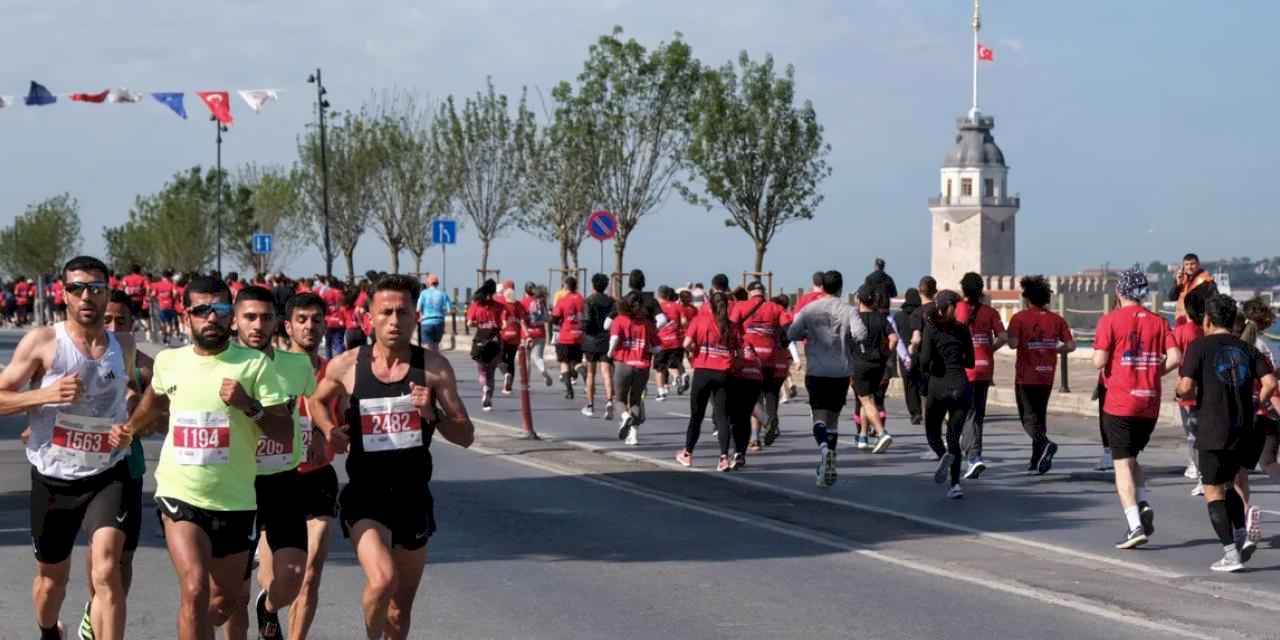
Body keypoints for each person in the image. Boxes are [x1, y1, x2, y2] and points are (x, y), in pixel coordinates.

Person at [122, 274, 295, 640]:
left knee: (223, 601)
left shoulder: (254, 365)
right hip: (179, 493)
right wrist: (128, 430)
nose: (211, 318)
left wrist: (249, 406)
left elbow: (283, 431)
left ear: (230, 316)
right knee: (195, 589)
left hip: (235, 501)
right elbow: (153, 403)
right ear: (187, 316)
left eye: (219, 310)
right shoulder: (169, 361)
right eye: (202, 310)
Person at [307, 274, 475, 640]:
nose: (394, 321)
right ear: (370, 317)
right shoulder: (348, 365)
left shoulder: (434, 368)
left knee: (399, 609)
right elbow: (316, 400)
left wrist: (433, 414)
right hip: (365, 494)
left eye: (402, 312)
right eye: (386, 312)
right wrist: (328, 429)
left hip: (413, 496)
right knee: (381, 581)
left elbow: (466, 435)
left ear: (416, 316)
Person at [0, 257, 137, 640]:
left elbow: (138, 396)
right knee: (50, 582)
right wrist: (45, 394)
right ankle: (49, 631)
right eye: (77, 288)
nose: (87, 296)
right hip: (54, 479)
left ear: (108, 292)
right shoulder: (44, 342)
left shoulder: (122, 344)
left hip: (107, 473)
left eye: (95, 288)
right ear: (64, 294)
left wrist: (130, 426)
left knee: (107, 570)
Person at [216, 286, 314, 640]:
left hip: (283, 480)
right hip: (237, 486)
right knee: (231, 598)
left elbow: (312, 405)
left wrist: (323, 433)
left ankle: (269, 608)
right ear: (234, 321)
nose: (258, 325)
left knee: (291, 577)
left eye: (266, 317)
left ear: (277, 322)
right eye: (249, 317)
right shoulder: (220, 366)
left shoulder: (298, 365)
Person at [71, 289, 155, 640]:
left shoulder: (144, 365)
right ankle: (97, 607)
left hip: (124, 469)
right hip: (78, 469)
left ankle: (101, 610)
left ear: (132, 324)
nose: (114, 325)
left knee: (120, 560)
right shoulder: (74, 357)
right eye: (108, 319)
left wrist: (137, 411)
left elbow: (162, 414)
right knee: (100, 558)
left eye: (122, 320)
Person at [1176, 294, 1277, 572]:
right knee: (1230, 482)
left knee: (1212, 490)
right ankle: (1241, 536)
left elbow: (1185, 387)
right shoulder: (1246, 348)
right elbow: (1269, 381)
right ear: (1233, 319)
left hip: (1212, 427)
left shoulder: (1199, 347)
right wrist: (1261, 401)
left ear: (1207, 320)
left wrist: (1181, 390)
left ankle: (1230, 553)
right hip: (1242, 427)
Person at [1093, 269, 1180, 549]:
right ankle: (1142, 502)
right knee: (1130, 458)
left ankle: (1134, 526)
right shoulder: (1158, 321)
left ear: (1119, 292)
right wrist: (1153, 373)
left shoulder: (1110, 320)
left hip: (1120, 402)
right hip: (1149, 402)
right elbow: (1176, 357)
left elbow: (1098, 361)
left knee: (1121, 465)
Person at [279, 292, 341, 640]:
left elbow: (344, 416)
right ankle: (269, 610)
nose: (310, 327)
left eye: (316, 320)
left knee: (312, 567)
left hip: (318, 476)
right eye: (301, 320)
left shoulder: (334, 371)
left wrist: (334, 431)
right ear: (287, 326)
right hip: (277, 478)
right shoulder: (268, 367)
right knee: (280, 576)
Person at [787, 270, 868, 487]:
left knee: (818, 417)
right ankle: (828, 459)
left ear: (821, 286)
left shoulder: (809, 309)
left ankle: (824, 450)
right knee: (833, 418)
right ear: (841, 288)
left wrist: (808, 334)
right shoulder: (849, 310)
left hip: (816, 370)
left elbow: (791, 334)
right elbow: (861, 335)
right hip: (840, 372)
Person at [1005, 276, 1076, 475]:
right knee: (1040, 417)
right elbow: (1071, 345)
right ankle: (1036, 460)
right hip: (1047, 375)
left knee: (1028, 420)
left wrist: (1008, 336)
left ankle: (1046, 444)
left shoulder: (1019, 318)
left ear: (1027, 298)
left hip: (1026, 377)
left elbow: (1012, 344)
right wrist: (1054, 350)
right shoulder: (1057, 320)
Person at [919, 290, 974, 499]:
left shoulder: (931, 330)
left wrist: (933, 364)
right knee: (953, 437)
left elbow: (924, 362)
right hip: (961, 386)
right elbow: (970, 362)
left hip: (938, 387)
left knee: (933, 432)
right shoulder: (962, 329)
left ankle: (943, 456)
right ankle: (955, 485)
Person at [676, 291, 737, 471]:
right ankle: (724, 457)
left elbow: (686, 343)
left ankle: (687, 454)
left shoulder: (700, 320)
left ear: (709, 305)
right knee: (722, 416)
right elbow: (737, 349)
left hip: (703, 370)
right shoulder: (730, 325)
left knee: (697, 415)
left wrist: (696, 350)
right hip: (723, 372)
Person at [955, 272, 1007, 480]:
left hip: (966, 370)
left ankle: (973, 457)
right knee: (977, 414)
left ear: (964, 290)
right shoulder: (990, 312)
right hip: (985, 369)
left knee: (968, 414)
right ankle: (972, 452)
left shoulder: (959, 309)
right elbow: (1003, 336)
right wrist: (989, 349)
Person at [737, 284, 788, 450]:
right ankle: (771, 425)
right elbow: (788, 327)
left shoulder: (741, 306)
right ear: (764, 292)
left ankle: (761, 430)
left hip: (751, 359)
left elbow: (731, 327)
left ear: (749, 292)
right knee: (771, 395)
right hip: (771, 358)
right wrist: (781, 343)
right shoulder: (775, 307)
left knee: (750, 398)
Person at [850, 284, 896, 453]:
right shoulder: (881, 318)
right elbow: (894, 339)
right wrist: (885, 354)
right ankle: (863, 436)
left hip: (859, 364)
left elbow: (847, 344)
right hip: (878, 364)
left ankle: (881, 432)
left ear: (859, 300)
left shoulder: (854, 319)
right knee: (866, 398)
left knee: (867, 401)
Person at [1169, 293, 1207, 494]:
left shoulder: (1182, 331)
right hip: (1207, 388)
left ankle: (1200, 474)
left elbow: (1172, 357)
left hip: (1188, 388)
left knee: (1192, 434)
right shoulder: (1207, 331)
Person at [610, 291, 658, 446]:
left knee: (619, 399)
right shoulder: (647, 324)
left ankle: (624, 417)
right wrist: (648, 349)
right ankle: (634, 436)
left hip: (623, 363)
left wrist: (610, 353)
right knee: (636, 401)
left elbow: (615, 339)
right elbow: (657, 348)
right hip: (642, 366)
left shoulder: (619, 320)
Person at [580, 274, 617, 419]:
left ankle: (590, 405)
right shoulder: (612, 301)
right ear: (606, 285)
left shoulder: (588, 300)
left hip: (591, 341)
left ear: (593, 285)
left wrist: (584, 329)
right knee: (607, 373)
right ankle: (609, 401)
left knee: (590, 373)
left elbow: (586, 321)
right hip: (607, 340)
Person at [465, 280, 505, 412]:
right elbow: (503, 324)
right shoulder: (499, 306)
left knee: (482, 370)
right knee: (491, 372)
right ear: (493, 292)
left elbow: (470, 323)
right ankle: (487, 400)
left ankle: (484, 388)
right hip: (495, 340)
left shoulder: (476, 305)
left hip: (481, 339)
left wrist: (480, 324)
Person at [551, 276, 586, 400]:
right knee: (577, 362)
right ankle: (583, 372)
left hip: (565, 335)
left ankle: (569, 391)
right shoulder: (582, 299)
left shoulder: (563, 300)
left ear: (566, 286)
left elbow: (554, 318)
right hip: (579, 335)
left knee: (564, 363)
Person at [894, 288, 924, 424]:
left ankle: (915, 412)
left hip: (905, 355)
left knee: (909, 385)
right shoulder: (923, 313)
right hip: (922, 352)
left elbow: (895, 336)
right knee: (923, 383)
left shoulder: (899, 316)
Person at [653, 286, 687, 401]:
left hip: (661, 342)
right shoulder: (678, 306)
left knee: (659, 368)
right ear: (669, 295)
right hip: (675, 341)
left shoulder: (657, 308)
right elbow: (684, 322)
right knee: (673, 364)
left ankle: (661, 393)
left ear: (659, 296)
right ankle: (677, 376)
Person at [521, 283, 554, 387]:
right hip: (540, 333)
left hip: (528, 334)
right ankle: (543, 370)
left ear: (525, 291)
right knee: (538, 357)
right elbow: (548, 319)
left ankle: (526, 382)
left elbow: (521, 320)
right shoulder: (542, 302)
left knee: (527, 359)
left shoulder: (523, 302)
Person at [1168, 253, 1216, 325]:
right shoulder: (1181, 278)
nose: (1189, 267)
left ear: (1198, 264)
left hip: (1198, 323)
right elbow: (1172, 297)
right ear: (1183, 266)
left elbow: (1213, 301)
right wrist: (1177, 284)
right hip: (1181, 321)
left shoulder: (1206, 280)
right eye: (1186, 264)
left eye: (1192, 264)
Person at [498, 286, 528, 395]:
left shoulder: (503, 306)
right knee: (511, 360)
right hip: (515, 336)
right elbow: (523, 320)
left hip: (504, 336)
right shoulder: (519, 305)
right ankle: (508, 388)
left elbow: (503, 322)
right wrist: (527, 335)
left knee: (499, 358)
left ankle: (506, 374)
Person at [416, 274, 452, 351]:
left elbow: (418, 309)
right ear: (437, 283)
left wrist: (421, 317)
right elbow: (449, 310)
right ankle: (435, 361)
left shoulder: (423, 293)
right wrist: (442, 313)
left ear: (428, 283)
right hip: (439, 321)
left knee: (426, 347)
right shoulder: (443, 294)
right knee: (436, 346)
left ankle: (428, 362)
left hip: (426, 322)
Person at [322, 278, 347, 358]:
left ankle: (328, 360)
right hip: (340, 320)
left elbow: (323, 306)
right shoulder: (341, 293)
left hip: (328, 320)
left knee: (328, 343)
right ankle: (341, 358)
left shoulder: (326, 293)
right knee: (339, 341)